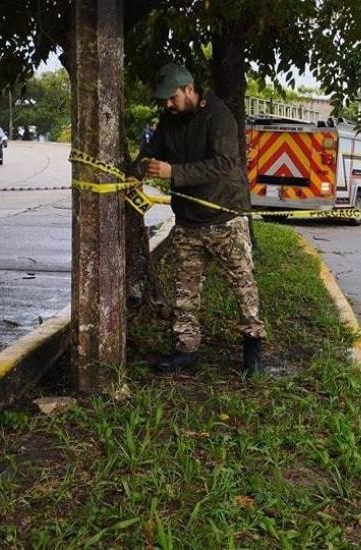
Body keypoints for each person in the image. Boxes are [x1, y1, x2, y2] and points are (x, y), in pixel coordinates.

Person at [129, 63, 265, 375]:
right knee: (184, 290)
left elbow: (223, 164)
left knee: (243, 286)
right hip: (188, 221)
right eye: (163, 100)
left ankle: (253, 348)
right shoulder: (170, 118)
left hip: (225, 217)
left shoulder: (219, 117)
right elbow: (152, 151)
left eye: (172, 97)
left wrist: (173, 172)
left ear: (190, 90)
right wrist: (134, 172)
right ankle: (186, 349)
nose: (167, 104)